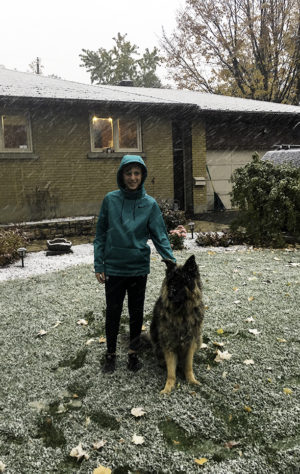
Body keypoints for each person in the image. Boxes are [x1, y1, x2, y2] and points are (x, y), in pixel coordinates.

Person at [94, 154, 176, 373]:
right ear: (122, 175)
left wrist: (171, 261)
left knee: (136, 312)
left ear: (142, 176)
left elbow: (160, 235)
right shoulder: (110, 200)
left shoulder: (149, 204)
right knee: (113, 312)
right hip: (115, 267)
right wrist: (99, 264)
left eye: (137, 173)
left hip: (138, 268)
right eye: (128, 173)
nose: (132, 177)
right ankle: (110, 354)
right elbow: (100, 233)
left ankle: (133, 354)